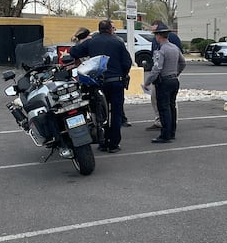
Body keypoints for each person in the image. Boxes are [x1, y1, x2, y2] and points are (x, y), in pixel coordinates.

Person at [69, 20, 132, 153]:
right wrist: (123, 74)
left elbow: (73, 51)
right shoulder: (118, 42)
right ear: (110, 29)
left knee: (101, 114)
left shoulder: (92, 42)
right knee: (116, 113)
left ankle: (103, 142)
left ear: (99, 29)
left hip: (99, 83)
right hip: (116, 81)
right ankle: (113, 144)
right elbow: (127, 62)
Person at [142, 23, 185, 143]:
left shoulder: (161, 50)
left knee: (163, 108)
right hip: (174, 80)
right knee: (172, 106)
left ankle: (165, 135)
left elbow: (157, 69)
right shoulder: (174, 48)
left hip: (164, 81)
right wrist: (176, 73)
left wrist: (147, 82)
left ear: (159, 36)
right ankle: (172, 132)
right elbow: (183, 63)